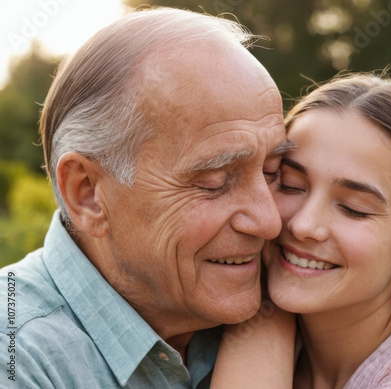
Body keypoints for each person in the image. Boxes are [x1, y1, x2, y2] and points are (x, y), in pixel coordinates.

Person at [0, 7, 295, 388]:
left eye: (273, 173)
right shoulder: (18, 359)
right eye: (214, 181)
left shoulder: (303, 295)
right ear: (87, 194)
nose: (270, 222)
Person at [211, 72, 391, 388]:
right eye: (290, 185)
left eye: (353, 208)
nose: (304, 225)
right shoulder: (206, 333)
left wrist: (265, 310)